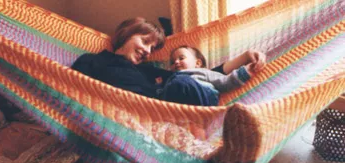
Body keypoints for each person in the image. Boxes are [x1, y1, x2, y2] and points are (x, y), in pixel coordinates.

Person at [71, 17, 265, 106]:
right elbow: (71, 87)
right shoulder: (92, 61)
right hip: (124, 114)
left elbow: (201, 76)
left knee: (182, 81)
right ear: (126, 34)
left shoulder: (148, 70)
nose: (148, 51)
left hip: (165, 111)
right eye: (145, 42)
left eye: (152, 48)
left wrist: (246, 57)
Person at [163, 45, 266, 106]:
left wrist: (245, 72)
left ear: (198, 64)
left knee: (180, 81)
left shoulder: (204, 73)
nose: (176, 62)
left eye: (181, 58)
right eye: (172, 62)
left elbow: (224, 82)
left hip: (204, 98)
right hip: (180, 108)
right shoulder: (172, 79)